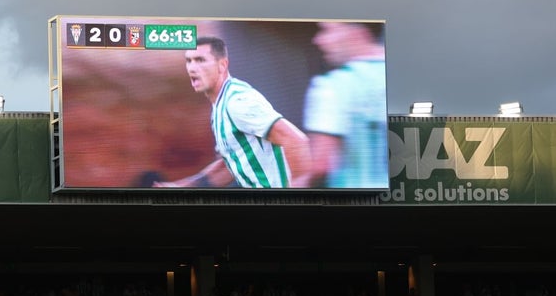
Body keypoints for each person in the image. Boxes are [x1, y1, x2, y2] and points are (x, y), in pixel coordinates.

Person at [154, 36, 311, 188]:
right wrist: (180, 186)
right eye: (189, 61)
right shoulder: (220, 106)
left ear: (222, 65)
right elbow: (228, 165)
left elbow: (296, 141)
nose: (192, 68)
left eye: (200, 60)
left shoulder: (237, 101)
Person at [302, 21, 389, 189]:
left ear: (358, 33)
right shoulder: (407, 79)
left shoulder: (334, 85)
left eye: (327, 31)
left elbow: (320, 165)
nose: (318, 40)